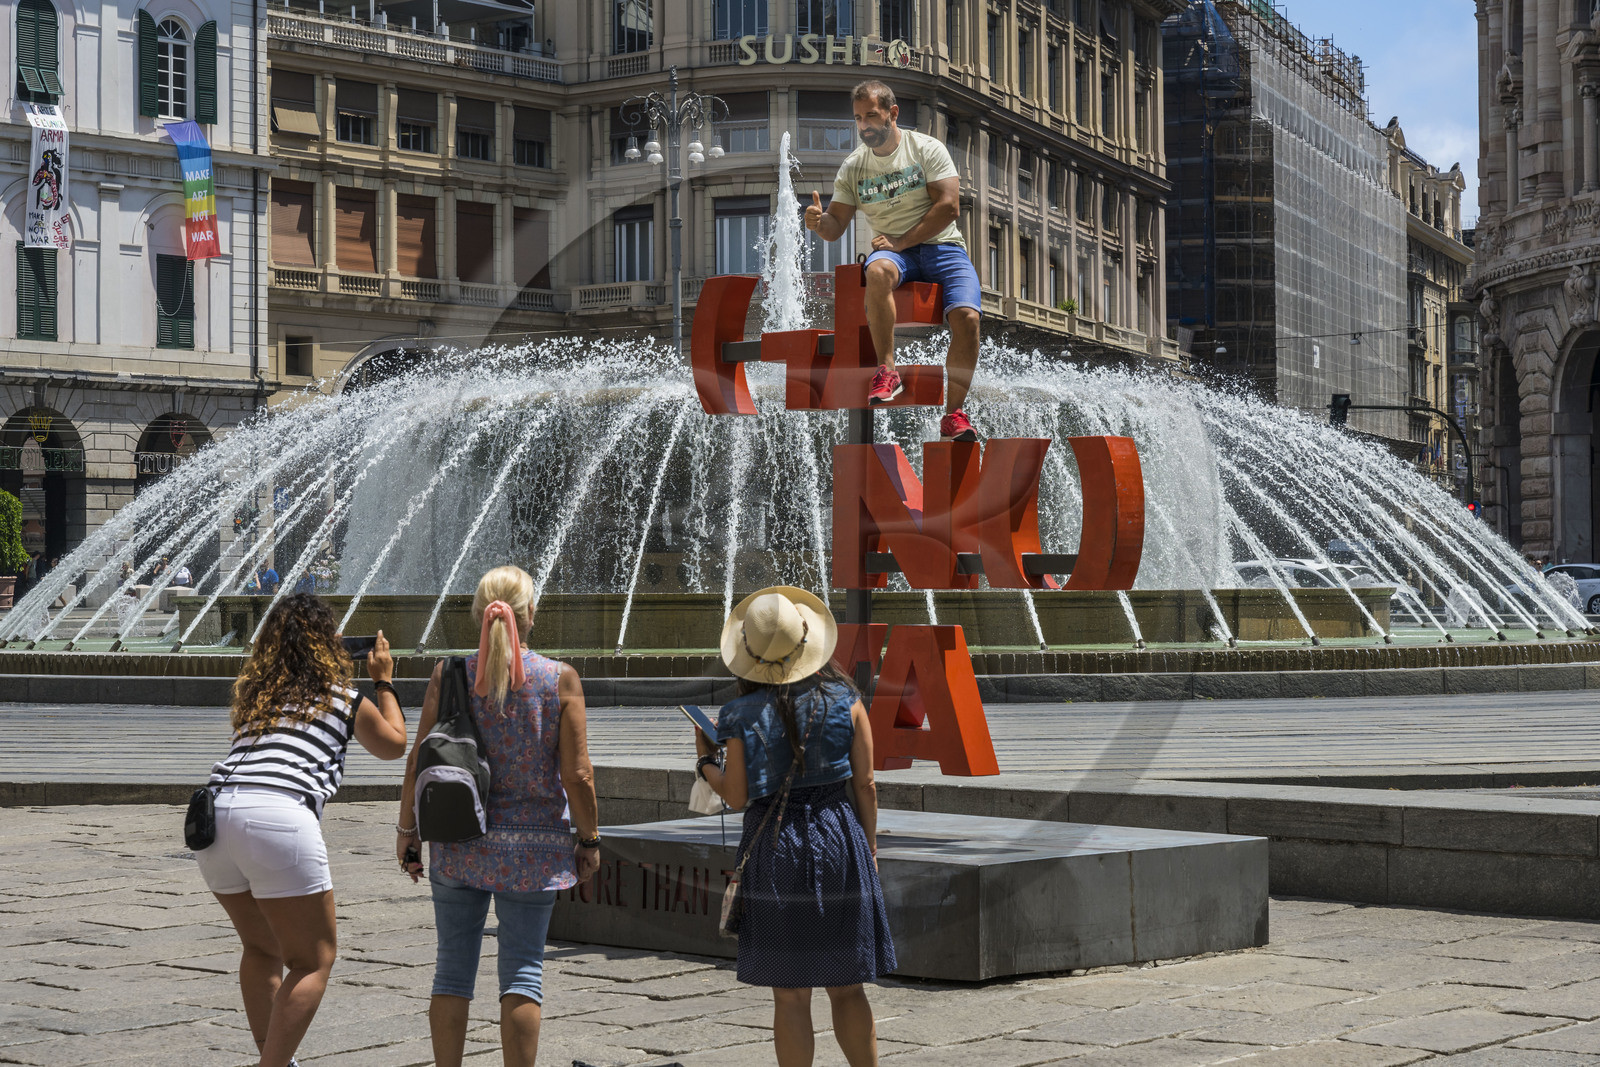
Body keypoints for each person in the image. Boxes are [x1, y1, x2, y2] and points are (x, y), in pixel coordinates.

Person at [396, 565, 601, 1067]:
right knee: (523, 974)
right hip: (534, 852)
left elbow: (418, 760)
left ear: (475, 612)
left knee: (451, 972)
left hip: (458, 840)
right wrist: (589, 839)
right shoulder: (559, 679)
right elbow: (578, 775)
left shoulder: (450, 674)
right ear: (531, 614)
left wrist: (408, 832)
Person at [192, 594, 408, 1067]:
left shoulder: (257, 699)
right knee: (313, 960)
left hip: (215, 818)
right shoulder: (341, 697)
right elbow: (394, 745)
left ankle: (273, 1058)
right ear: (324, 645)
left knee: (260, 947)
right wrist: (384, 681)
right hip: (278, 818)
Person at [695, 586, 894, 1067]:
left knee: (790, 994)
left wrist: (705, 762)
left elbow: (738, 795)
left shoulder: (738, 715)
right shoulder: (847, 699)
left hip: (775, 845)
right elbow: (866, 784)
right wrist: (866, 845)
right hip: (839, 835)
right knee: (847, 986)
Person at [806, 79, 983, 443]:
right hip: (894, 255)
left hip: (943, 247)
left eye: (871, 115)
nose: (864, 125)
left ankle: (953, 416)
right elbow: (835, 226)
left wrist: (902, 240)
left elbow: (949, 207)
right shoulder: (854, 166)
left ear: (892, 113)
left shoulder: (925, 149)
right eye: (858, 118)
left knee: (967, 318)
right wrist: (818, 223)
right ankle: (887, 372)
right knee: (877, 269)